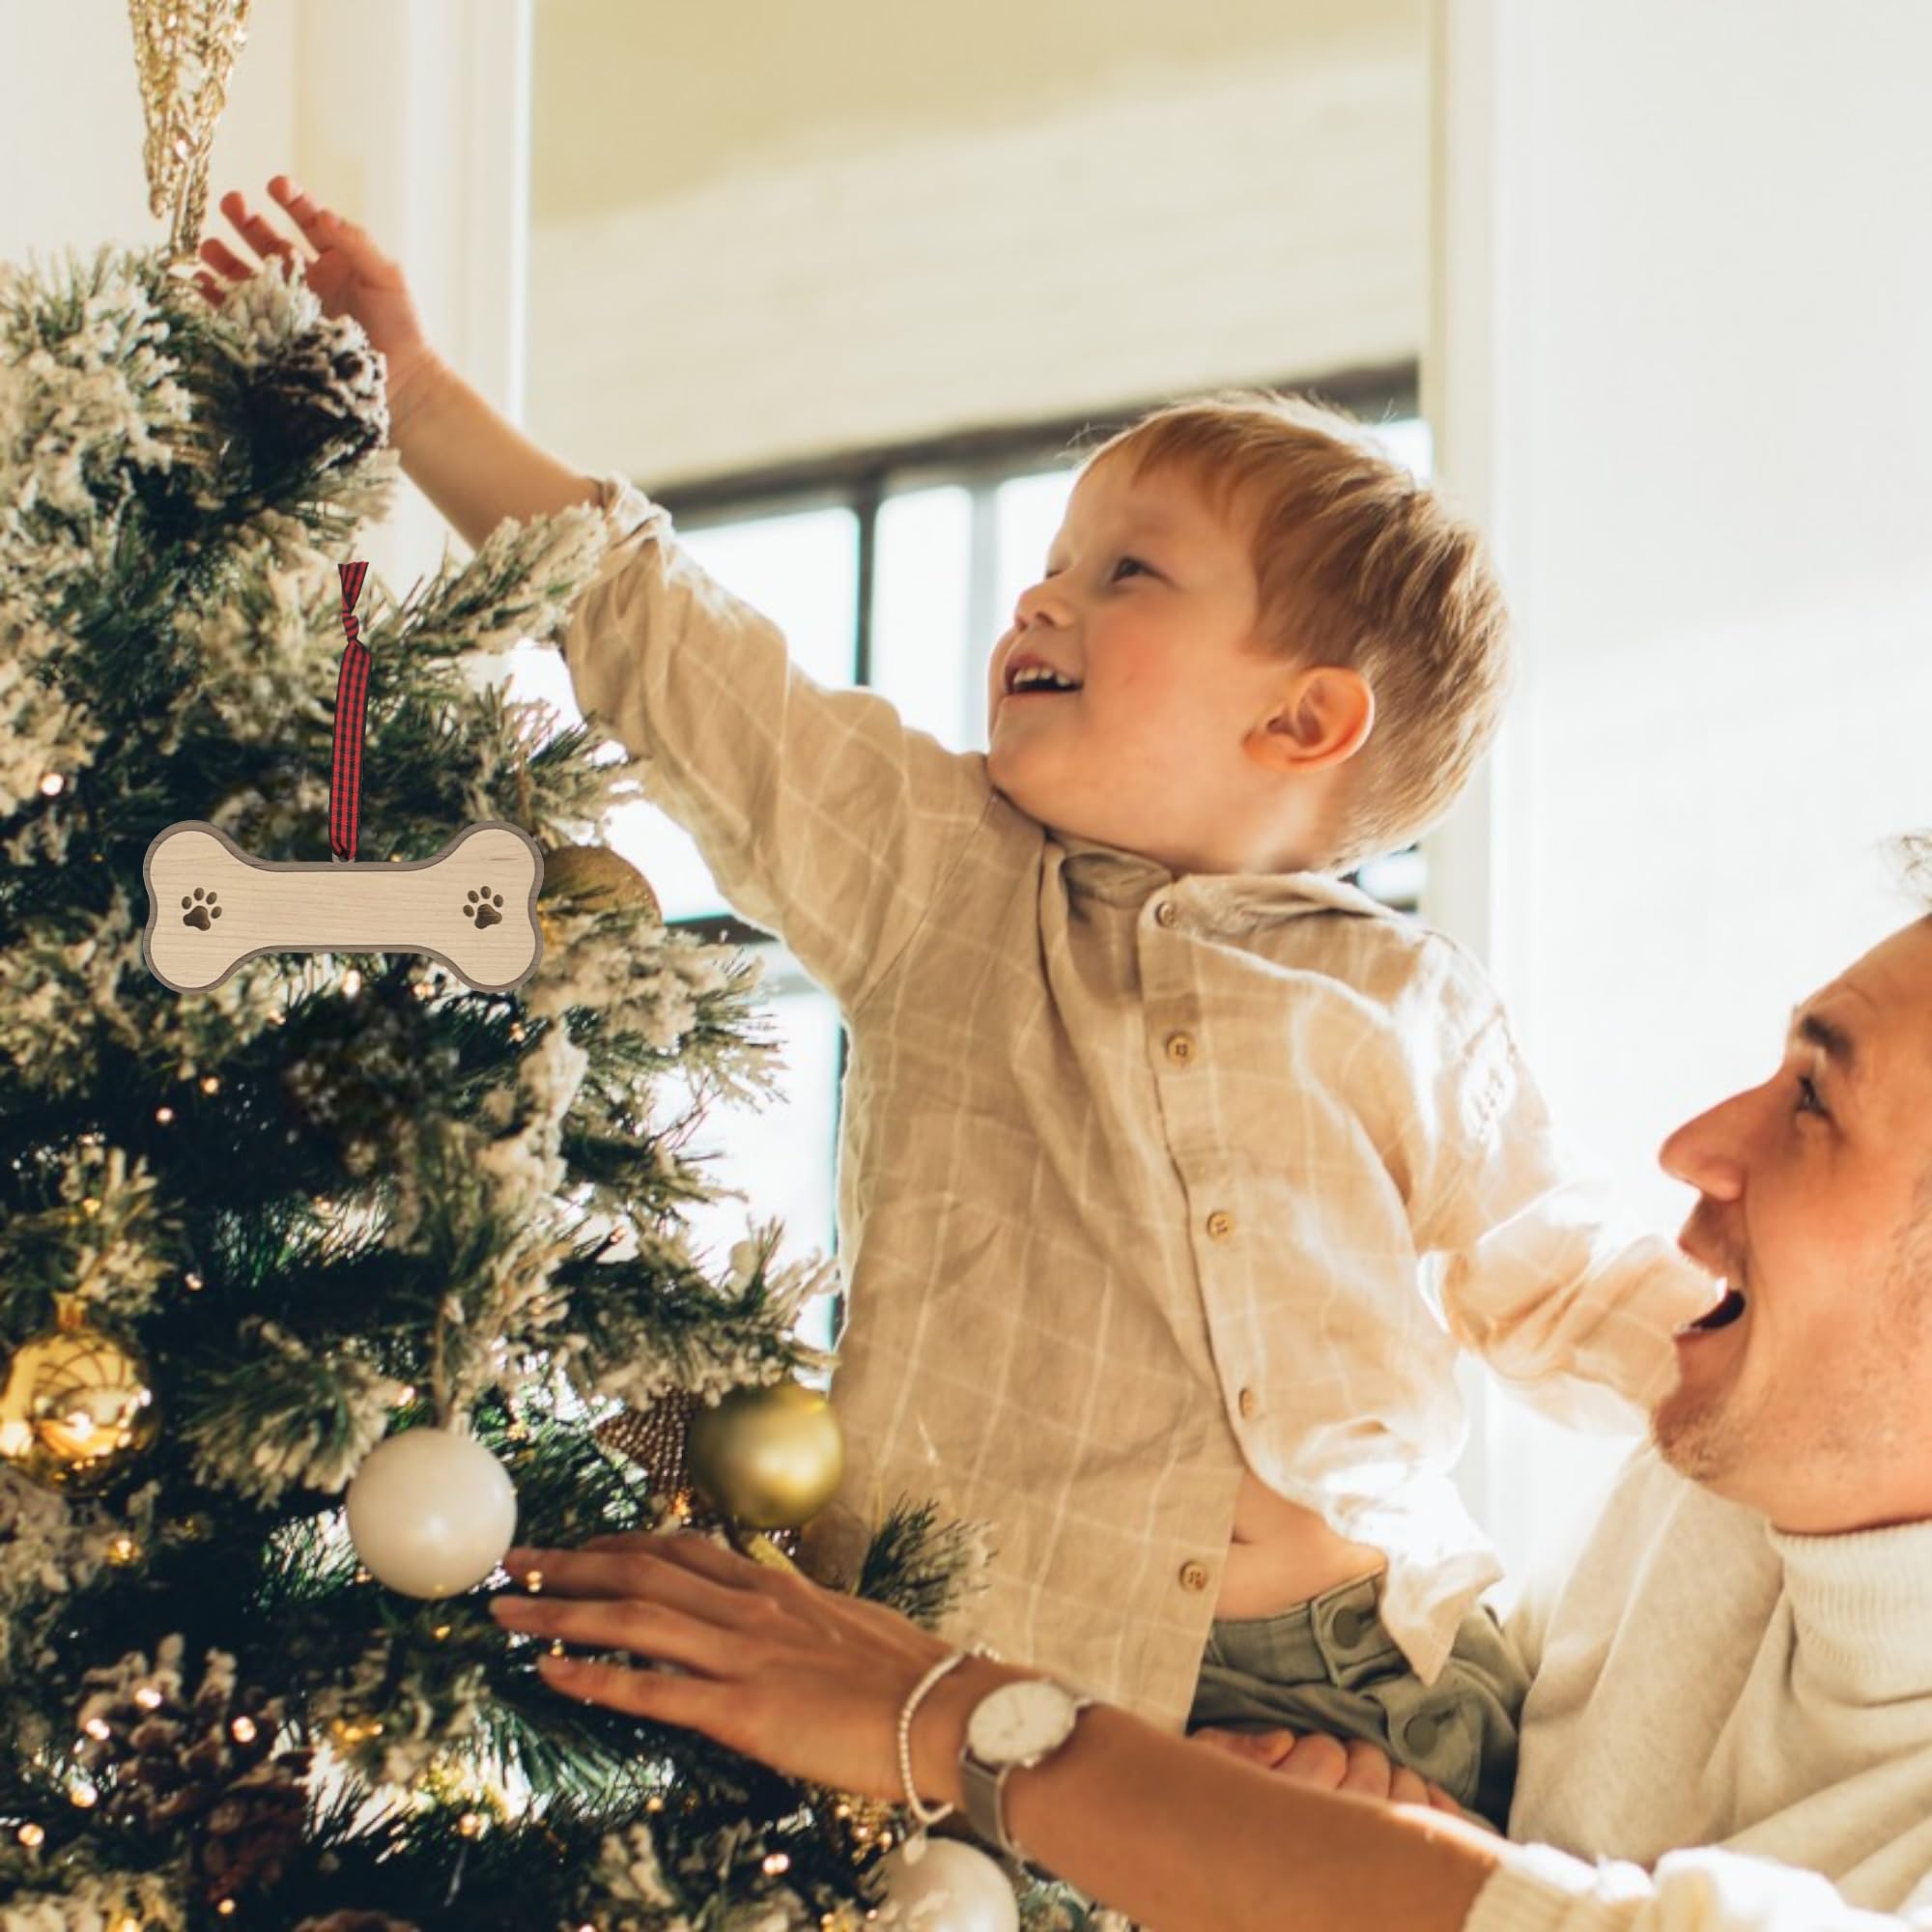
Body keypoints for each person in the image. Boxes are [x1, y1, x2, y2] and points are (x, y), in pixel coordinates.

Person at [198, 181, 1715, 1827]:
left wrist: (1787, 1377)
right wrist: (415, 390)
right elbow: (676, 645)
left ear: (1305, 720)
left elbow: (1559, 1284)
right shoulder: (944, 878)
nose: (1037, 600)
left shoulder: (1404, 998)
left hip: (1365, 1671)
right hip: (992, 1660)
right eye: (1050, 560)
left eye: (1127, 573)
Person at [485, 890, 1932, 1930]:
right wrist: (1411, 1830)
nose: (1698, 1145)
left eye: (1814, 1100)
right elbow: (1536, 1865)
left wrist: (952, 1718)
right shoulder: (1718, 1482)